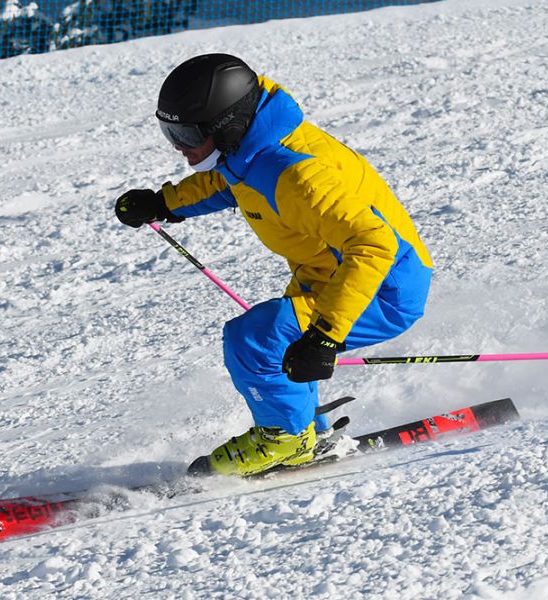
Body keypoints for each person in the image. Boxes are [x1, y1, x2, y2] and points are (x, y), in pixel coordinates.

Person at [113, 54, 433, 477]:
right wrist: (163, 203)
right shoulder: (248, 150)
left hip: (381, 288)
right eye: (170, 132)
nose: (178, 146)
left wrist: (326, 335)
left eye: (186, 134)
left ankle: (287, 439)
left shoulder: (297, 175)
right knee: (279, 344)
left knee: (258, 339)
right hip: (329, 275)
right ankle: (306, 430)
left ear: (226, 124)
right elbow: (231, 182)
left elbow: (373, 244)